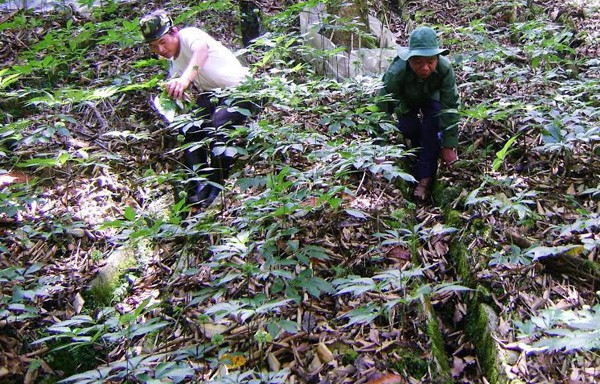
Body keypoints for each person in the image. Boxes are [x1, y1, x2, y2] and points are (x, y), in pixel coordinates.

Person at [139, 10, 254, 208]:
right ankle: (201, 182)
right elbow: (179, 90)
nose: (160, 49)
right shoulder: (175, 63)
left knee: (219, 123)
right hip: (214, 93)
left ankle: (217, 183)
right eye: (154, 46)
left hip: (241, 89)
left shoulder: (190, 35)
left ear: (174, 32)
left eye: (163, 42)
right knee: (188, 126)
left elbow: (201, 51)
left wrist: (185, 79)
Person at [379, 26, 460, 201]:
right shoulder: (397, 71)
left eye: (430, 62)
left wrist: (449, 145)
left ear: (437, 59)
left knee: (431, 130)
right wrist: (378, 147)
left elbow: (450, 106)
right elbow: (382, 106)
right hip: (406, 101)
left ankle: (425, 179)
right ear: (409, 60)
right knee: (409, 128)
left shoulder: (445, 69)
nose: (425, 68)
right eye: (418, 63)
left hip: (433, 98)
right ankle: (417, 153)